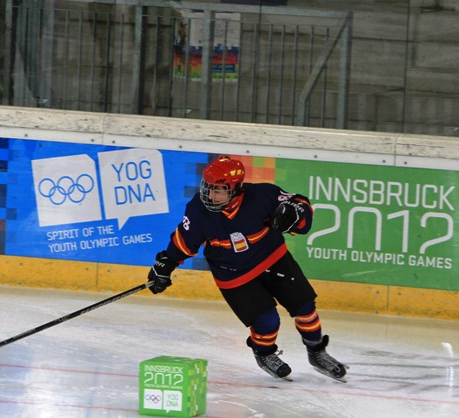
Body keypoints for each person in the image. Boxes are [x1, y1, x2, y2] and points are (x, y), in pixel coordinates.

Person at [147, 155, 348, 382]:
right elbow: (184, 241)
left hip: (274, 260)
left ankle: (317, 351)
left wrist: (296, 213)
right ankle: (265, 354)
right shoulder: (198, 210)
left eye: (218, 190)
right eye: (208, 188)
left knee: (305, 308)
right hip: (234, 275)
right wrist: (165, 264)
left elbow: (300, 204)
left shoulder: (262, 196)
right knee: (268, 322)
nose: (210, 195)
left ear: (235, 189)